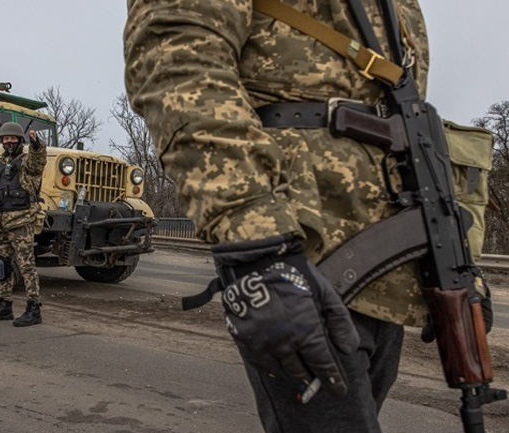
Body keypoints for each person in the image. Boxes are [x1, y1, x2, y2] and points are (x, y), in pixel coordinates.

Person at [124, 1, 434, 432]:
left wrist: (446, 251)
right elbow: (179, 61)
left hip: (387, 254)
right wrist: (257, 244)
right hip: (298, 239)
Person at [0, 122, 47, 327]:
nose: (9, 142)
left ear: (19, 141)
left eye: (12, 139)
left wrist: (36, 144)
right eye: (5, 139)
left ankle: (33, 308)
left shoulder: (27, 164)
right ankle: (4, 305)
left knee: (26, 266)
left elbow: (38, 160)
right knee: (0, 264)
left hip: (21, 220)